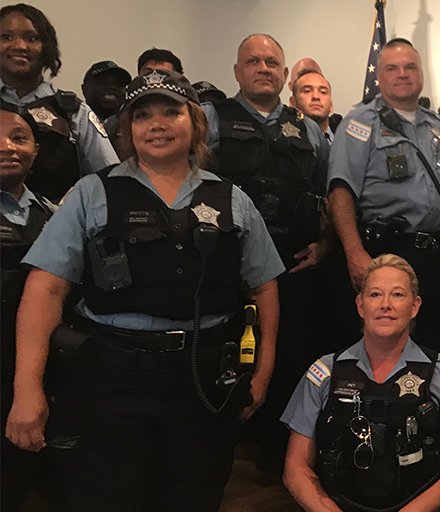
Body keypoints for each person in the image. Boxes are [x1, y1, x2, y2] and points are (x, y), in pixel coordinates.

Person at [4, 69, 283, 511]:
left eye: (171, 111)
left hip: (203, 377)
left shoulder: (233, 199)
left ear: (195, 122)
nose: (157, 123)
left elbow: (264, 289)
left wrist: (262, 374)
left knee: (196, 496)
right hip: (111, 380)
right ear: (127, 128)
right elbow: (45, 290)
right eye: (143, 115)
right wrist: (27, 390)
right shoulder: (91, 194)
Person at [202, 32, 331, 473]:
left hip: (293, 266)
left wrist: (326, 243)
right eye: (253, 62)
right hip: (227, 264)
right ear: (237, 72)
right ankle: (222, 450)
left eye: (272, 62)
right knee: (226, 356)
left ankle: (282, 456)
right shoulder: (210, 118)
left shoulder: (310, 130)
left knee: (292, 357)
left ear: (284, 73)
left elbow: (334, 192)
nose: (263, 68)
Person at [281, 254, 440, 511]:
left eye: (397, 295)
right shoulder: (325, 372)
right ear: (360, 305)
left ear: (415, 306)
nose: (385, 304)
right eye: (375, 294)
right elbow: (295, 468)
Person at [328, 38, 440, 357]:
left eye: (410, 66)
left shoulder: (437, 125)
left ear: (421, 74)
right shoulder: (360, 124)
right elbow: (340, 190)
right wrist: (354, 252)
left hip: (437, 259)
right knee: (388, 346)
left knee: (435, 346)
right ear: (379, 77)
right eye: (392, 68)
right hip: (389, 254)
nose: (402, 74)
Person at [0, 3, 118, 202]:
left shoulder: (73, 111)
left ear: (47, 47)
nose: (19, 46)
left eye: (32, 38)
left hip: (61, 226)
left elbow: (111, 180)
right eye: (6, 37)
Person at [0, 105, 56, 512]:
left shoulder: (56, 216)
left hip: (32, 365)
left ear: (36, 149)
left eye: (20, 137)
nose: (8, 147)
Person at [290, 70, 337, 141]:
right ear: (293, 103)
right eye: (307, 91)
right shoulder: (282, 140)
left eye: (323, 92)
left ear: (331, 105)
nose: (316, 96)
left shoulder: (347, 140)